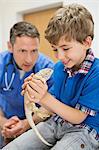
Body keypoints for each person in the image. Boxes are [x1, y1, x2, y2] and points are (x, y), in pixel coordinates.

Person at [2, 3, 99, 150]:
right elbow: (52, 107)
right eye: (55, 49)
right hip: (56, 122)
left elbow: (78, 117)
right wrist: (35, 95)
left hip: (84, 130)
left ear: (86, 42)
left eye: (65, 48)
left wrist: (44, 97)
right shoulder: (60, 67)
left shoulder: (96, 72)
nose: (59, 56)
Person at [0, 21, 54, 148]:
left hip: (34, 123)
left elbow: (51, 106)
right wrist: (5, 124)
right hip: (5, 121)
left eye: (34, 51)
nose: (29, 59)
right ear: (10, 46)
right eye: (22, 51)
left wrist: (26, 124)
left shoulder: (47, 68)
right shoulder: (1, 64)